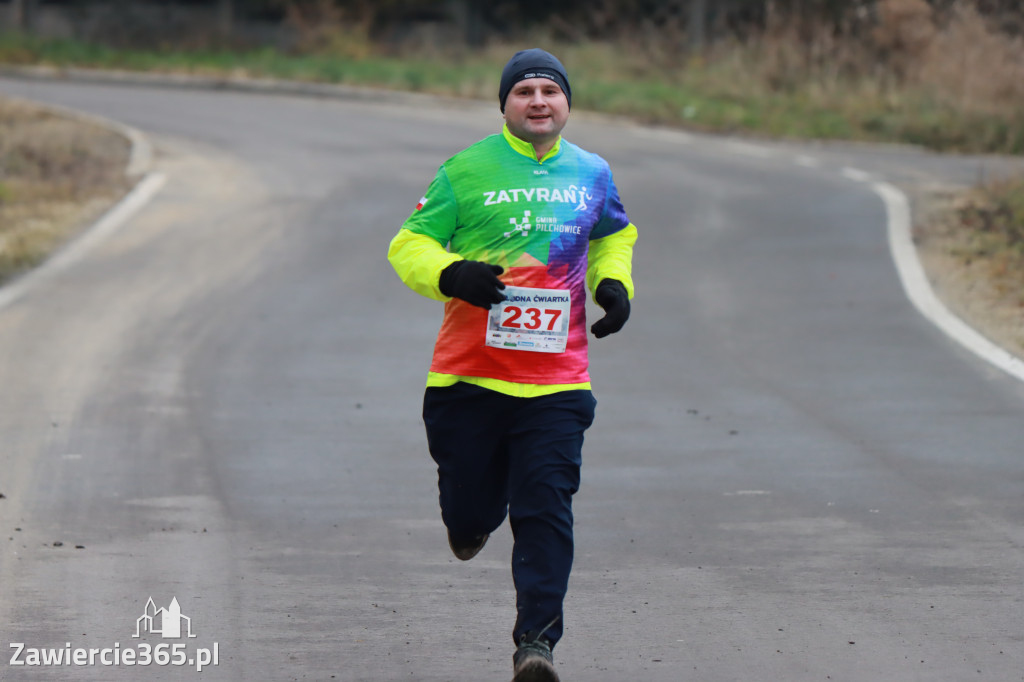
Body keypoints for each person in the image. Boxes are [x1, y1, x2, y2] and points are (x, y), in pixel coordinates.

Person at [387, 48, 637, 682]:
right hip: (467, 377)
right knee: (471, 514)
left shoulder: (592, 171)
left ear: (566, 104)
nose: (537, 101)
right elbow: (408, 243)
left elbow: (613, 234)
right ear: (505, 104)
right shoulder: (465, 169)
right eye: (523, 90)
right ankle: (471, 518)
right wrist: (452, 273)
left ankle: (537, 644)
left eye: (549, 91)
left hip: (557, 382)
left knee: (545, 506)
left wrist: (613, 284)